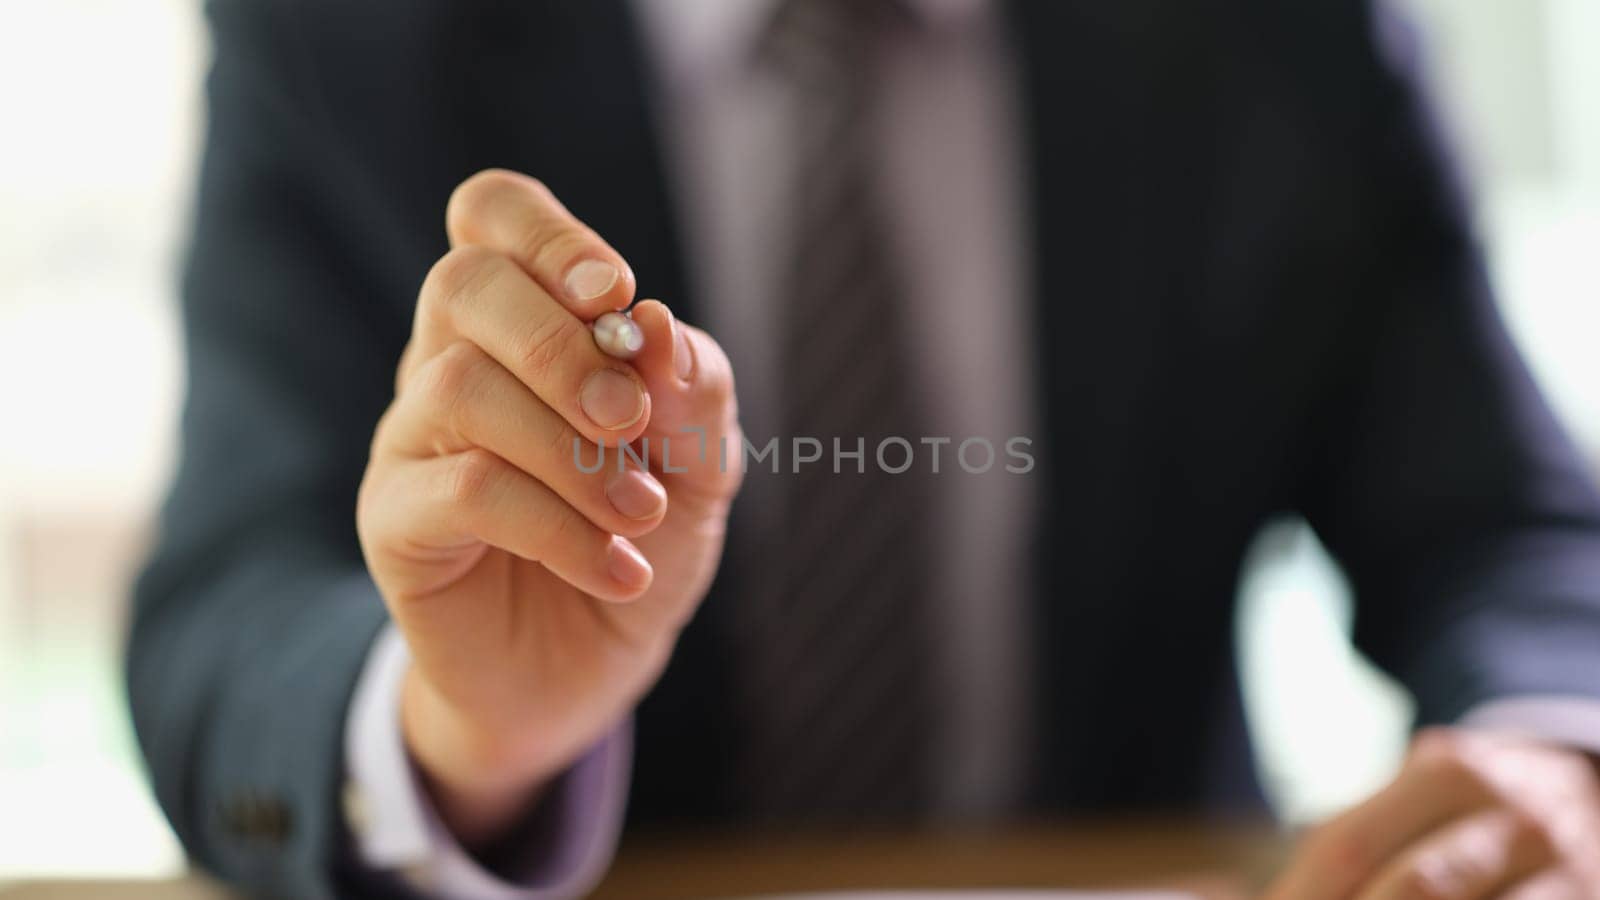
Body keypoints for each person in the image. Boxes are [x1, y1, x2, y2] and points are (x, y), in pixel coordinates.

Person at [127, 0, 1600, 897]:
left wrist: (1552, 749)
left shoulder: (1275, 25)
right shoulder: (341, 28)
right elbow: (223, 618)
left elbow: (1505, 522)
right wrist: (469, 738)